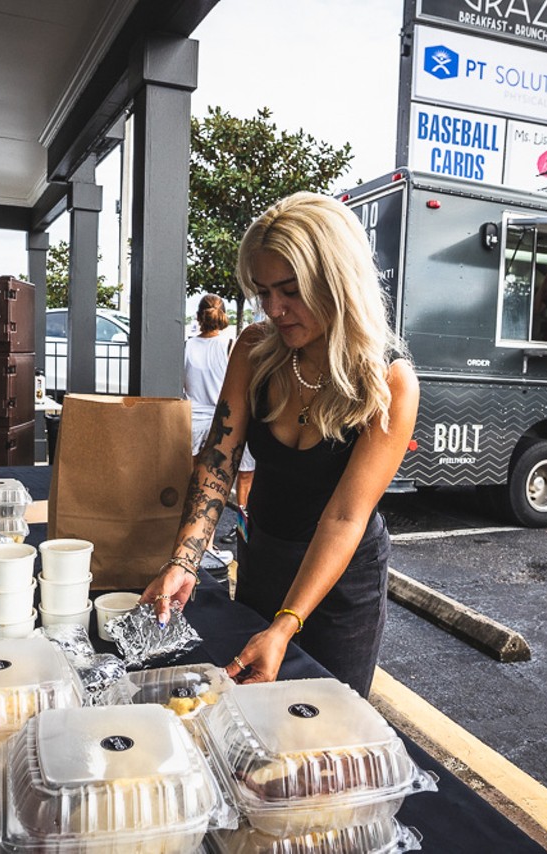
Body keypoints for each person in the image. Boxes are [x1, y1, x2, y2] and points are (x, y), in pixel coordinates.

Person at [140, 192, 419, 698]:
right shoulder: (254, 347)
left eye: (290, 290)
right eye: (264, 291)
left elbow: (344, 518)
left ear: (336, 280)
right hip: (263, 555)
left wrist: (286, 623)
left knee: (320, 727)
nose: (274, 308)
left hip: (339, 584)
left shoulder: (389, 379)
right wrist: (183, 560)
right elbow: (219, 458)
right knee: (247, 712)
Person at [185, 294, 255, 528]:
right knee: (245, 480)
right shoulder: (230, 345)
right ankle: (241, 530)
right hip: (228, 422)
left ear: (199, 316)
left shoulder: (189, 345)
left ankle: (200, 536)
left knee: (200, 483)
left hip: (194, 423)